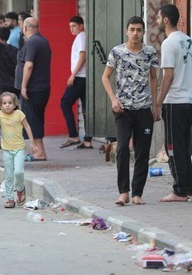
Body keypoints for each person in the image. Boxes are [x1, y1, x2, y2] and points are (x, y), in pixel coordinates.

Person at [101, 16, 159, 206]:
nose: (135, 33)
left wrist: (155, 105)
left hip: (144, 109)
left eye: (139, 30)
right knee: (123, 148)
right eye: (132, 29)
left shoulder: (150, 53)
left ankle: (137, 194)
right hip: (123, 109)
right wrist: (113, 99)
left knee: (142, 152)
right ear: (127, 31)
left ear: (143, 32)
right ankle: (123, 192)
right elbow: (105, 77)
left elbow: (153, 79)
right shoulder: (117, 52)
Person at [155, 4, 192, 202]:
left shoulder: (168, 43)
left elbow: (168, 76)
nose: (156, 21)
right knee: (184, 147)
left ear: (165, 20)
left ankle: (180, 190)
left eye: (158, 18)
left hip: (175, 102)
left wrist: (158, 102)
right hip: (189, 101)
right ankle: (190, 190)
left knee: (173, 147)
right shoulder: (188, 40)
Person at [0, 91, 37, 208]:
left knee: (19, 172)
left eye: (10, 103)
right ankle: (10, 199)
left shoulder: (19, 114)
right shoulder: (0, 114)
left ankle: (20, 189)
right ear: (1, 105)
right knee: (9, 175)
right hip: (7, 150)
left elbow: (27, 126)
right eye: (4, 103)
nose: (7, 105)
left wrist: (32, 142)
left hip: (19, 149)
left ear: (14, 104)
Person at [15, 17, 51, 161]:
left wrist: (23, 86)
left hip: (33, 88)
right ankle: (38, 150)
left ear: (25, 28)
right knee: (36, 118)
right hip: (42, 87)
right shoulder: (43, 40)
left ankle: (39, 152)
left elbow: (29, 65)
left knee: (32, 119)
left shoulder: (31, 43)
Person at [60, 16, 93, 149]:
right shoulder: (82, 37)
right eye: (70, 26)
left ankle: (73, 136)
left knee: (65, 103)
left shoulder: (81, 37)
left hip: (79, 77)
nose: (71, 29)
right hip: (83, 77)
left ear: (81, 26)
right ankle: (87, 139)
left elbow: (82, 56)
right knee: (85, 109)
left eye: (74, 26)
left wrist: (73, 75)